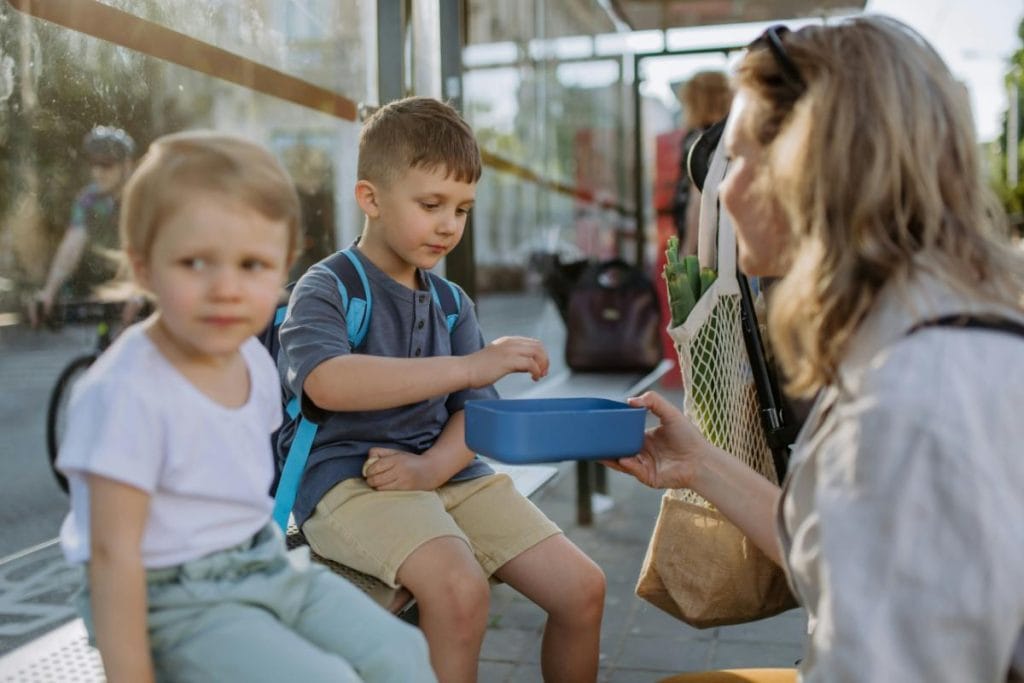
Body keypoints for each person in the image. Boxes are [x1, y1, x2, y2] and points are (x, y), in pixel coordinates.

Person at [607, 16, 1024, 683]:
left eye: (736, 160)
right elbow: (841, 552)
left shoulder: (908, 403)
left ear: (813, 172)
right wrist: (699, 465)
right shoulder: (929, 324)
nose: (722, 190)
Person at [56, 130, 435, 683]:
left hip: (260, 562)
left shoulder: (254, 361)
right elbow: (113, 560)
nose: (226, 289)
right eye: (195, 262)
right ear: (143, 268)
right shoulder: (126, 391)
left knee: (402, 656)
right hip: (170, 596)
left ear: (284, 270)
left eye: (253, 265)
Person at [277, 96, 606, 683]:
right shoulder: (326, 286)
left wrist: (431, 469)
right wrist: (469, 367)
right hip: (351, 480)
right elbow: (327, 382)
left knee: (582, 588)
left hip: (447, 475)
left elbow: (474, 417)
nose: (449, 224)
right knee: (459, 590)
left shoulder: (453, 304)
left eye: (462, 209)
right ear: (370, 199)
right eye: (431, 204)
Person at [29, 126, 135, 326]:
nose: (97, 172)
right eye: (94, 164)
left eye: (106, 164)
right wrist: (49, 292)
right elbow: (72, 245)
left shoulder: (141, 195)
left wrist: (139, 290)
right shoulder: (88, 200)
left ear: (127, 166)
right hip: (105, 285)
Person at [673, 71, 733, 257]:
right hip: (726, 241)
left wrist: (688, 251)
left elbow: (697, 197)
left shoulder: (700, 142)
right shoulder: (730, 135)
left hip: (704, 244)